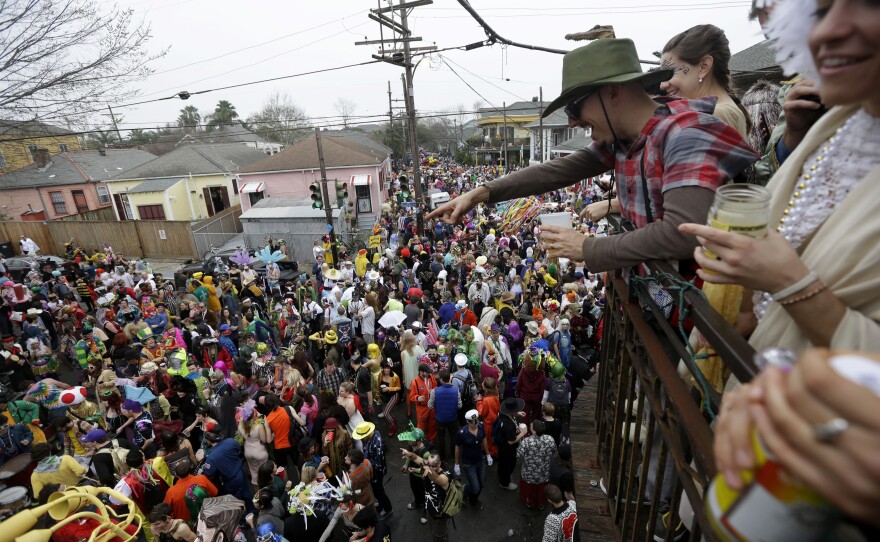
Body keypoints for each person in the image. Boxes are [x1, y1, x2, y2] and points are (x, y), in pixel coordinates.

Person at [427, 38, 756, 273]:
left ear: (612, 92)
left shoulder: (685, 135)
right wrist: (483, 192)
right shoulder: (623, 140)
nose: (572, 121)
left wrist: (588, 248)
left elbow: (682, 233)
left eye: (575, 107)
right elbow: (558, 170)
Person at [400, 451, 451, 542]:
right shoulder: (430, 467)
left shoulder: (445, 476)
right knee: (434, 531)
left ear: (439, 464)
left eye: (433, 465)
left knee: (438, 535)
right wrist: (409, 454)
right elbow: (416, 458)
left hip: (440, 514)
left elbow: (437, 479)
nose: (430, 467)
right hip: (432, 510)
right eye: (429, 464)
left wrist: (428, 467)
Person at [200, 429, 254, 506]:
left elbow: (209, 474)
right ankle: (253, 511)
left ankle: (243, 517)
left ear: (208, 440)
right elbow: (238, 451)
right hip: (241, 471)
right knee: (247, 493)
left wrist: (202, 459)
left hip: (231, 480)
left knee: (236, 501)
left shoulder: (211, 457)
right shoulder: (231, 441)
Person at [352, 421, 393, 520]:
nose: (361, 439)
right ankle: (381, 503)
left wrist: (364, 462)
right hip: (374, 470)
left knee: (379, 491)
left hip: (376, 472)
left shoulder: (377, 444)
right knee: (377, 491)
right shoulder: (374, 435)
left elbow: (377, 463)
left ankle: (388, 509)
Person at [454, 409, 492, 510]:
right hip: (469, 464)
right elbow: (457, 447)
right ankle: (466, 491)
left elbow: (483, 439)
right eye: (473, 422)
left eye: (476, 421)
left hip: (480, 460)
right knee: (475, 488)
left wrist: (488, 454)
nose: (475, 424)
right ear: (467, 421)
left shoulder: (480, 426)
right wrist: (456, 463)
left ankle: (473, 498)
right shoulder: (462, 433)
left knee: (481, 484)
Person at [518, 419, 558, 509]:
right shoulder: (550, 439)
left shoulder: (526, 441)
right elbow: (554, 450)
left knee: (529, 489)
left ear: (534, 430)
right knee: (541, 489)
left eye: (531, 426)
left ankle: (529, 503)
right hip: (544, 471)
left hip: (529, 472)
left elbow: (518, 454)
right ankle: (541, 504)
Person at [496, 397, 529, 491]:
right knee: (508, 465)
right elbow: (511, 441)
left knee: (502, 463)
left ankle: (501, 475)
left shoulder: (502, 414)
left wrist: (517, 413)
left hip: (501, 445)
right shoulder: (508, 425)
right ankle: (504, 483)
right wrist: (522, 433)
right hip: (508, 448)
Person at [427, 369, 460, 461]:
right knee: (453, 437)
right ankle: (454, 455)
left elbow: (429, 406)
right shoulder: (456, 391)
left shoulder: (434, 391)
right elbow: (460, 405)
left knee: (441, 438)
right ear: (449, 378)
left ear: (440, 379)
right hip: (453, 418)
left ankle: (442, 456)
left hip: (440, 419)